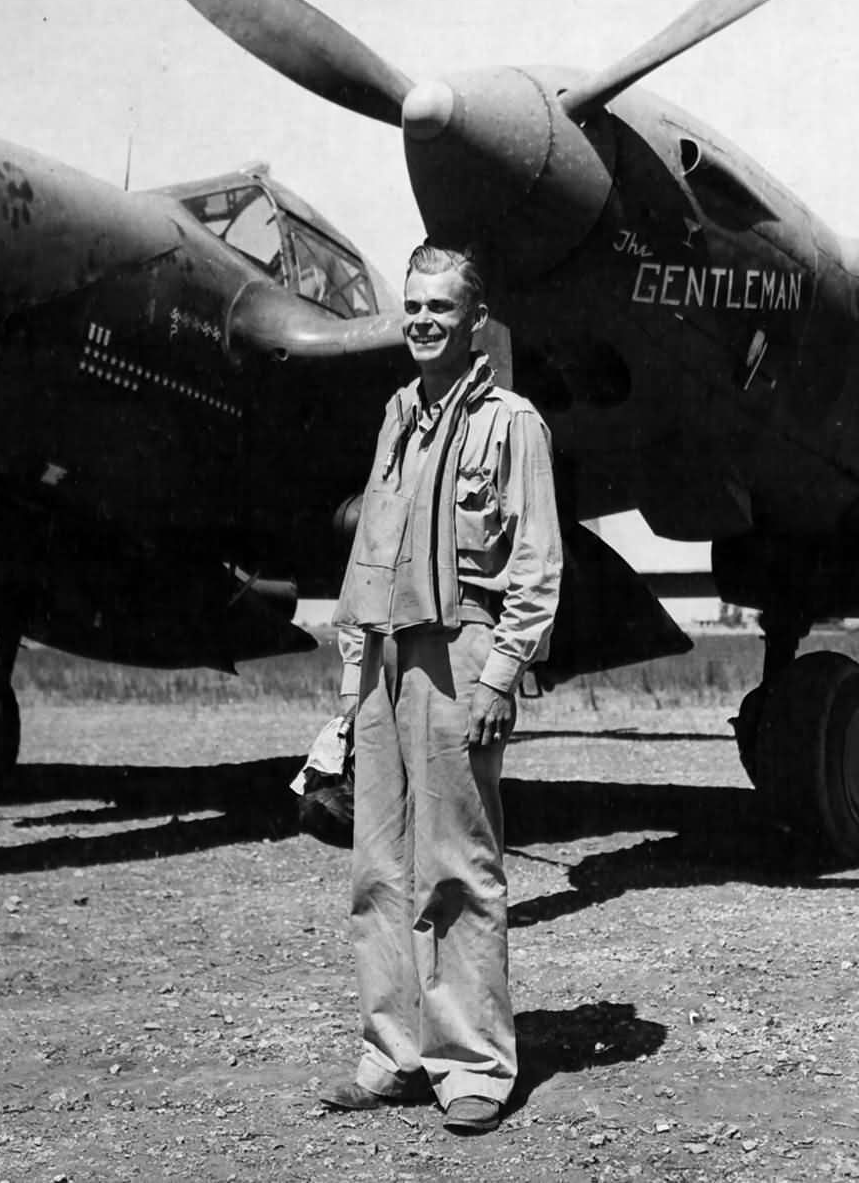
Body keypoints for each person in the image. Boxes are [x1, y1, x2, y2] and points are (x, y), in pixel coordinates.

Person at [323, 242, 563, 1135]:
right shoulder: (396, 418)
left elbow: (538, 565)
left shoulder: (514, 424)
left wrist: (502, 672)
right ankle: (392, 1053)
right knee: (378, 867)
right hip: (384, 660)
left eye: (442, 308)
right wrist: (351, 683)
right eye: (413, 306)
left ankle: (473, 1064)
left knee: (458, 865)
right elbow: (367, 553)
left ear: (475, 321)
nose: (423, 320)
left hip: (461, 655)